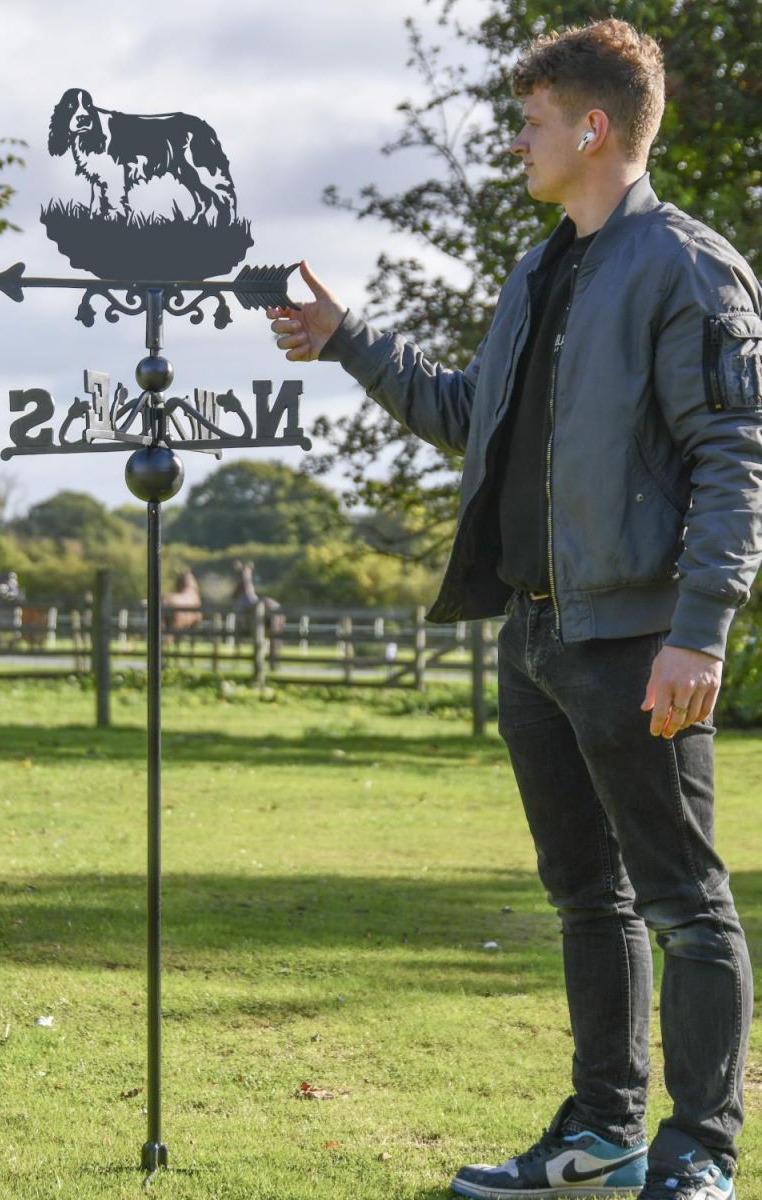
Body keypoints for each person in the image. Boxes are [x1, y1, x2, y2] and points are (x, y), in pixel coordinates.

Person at [268, 18, 762, 1200]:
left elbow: (737, 458)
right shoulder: (541, 269)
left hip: (639, 640)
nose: (516, 140)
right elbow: (466, 416)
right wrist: (345, 344)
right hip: (535, 638)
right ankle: (604, 1131)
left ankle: (700, 1153)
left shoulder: (693, 270)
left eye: (532, 121)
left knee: (685, 903)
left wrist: (699, 632)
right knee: (586, 900)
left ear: (593, 128)